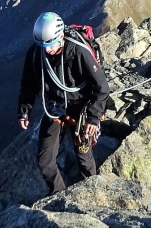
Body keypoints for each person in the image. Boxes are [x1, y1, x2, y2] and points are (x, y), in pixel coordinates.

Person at [16, 11, 111, 194]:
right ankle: (59, 195)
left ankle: (92, 193)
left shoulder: (78, 51)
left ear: (60, 36)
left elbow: (101, 87)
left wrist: (93, 117)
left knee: (83, 154)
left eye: (50, 45)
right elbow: (29, 84)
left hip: (81, 106)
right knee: (45, 162)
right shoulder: (37, 53)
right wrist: (24, 109)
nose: (47, 50)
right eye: (43, 45)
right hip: (55, 107)